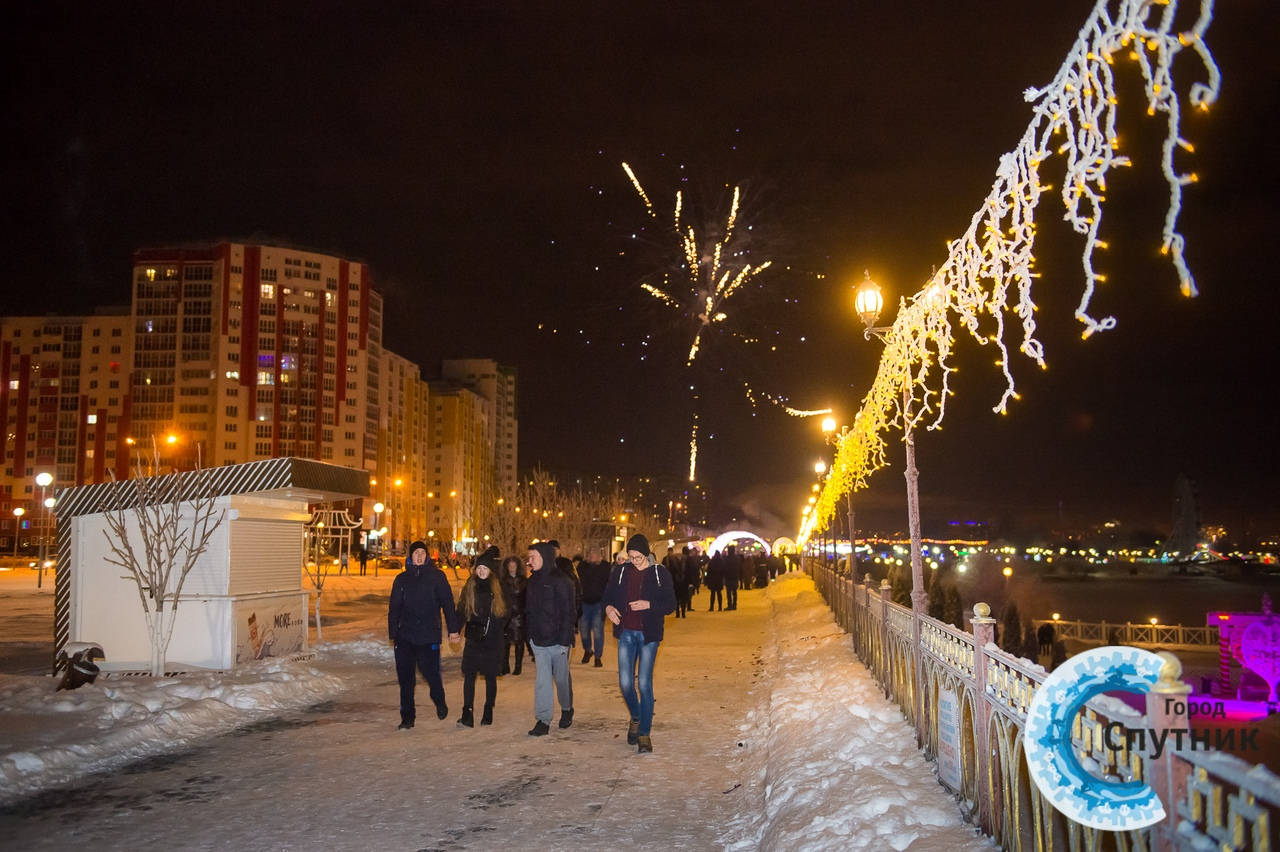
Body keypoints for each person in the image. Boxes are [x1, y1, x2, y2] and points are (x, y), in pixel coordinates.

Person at [603, 533, 677, 754]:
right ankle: (636, 716)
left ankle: (644, 733)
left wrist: (648, 604)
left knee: (644, 684)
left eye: (638, 557)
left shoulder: (659, 573)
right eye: (631, 556)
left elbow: (671, 604)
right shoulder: (620, 571)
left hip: (648, 635)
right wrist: (608, 608)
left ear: (647, 554)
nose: (633, 561)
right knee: (625, 684)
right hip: (625, 633)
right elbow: (607, 595)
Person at [388, 540, 461, 730]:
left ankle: (439, 698)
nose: (419, 556)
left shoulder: (437, 577)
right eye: (416, 553)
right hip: (405, 636)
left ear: (427, 556)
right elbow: (394, 607)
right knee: (406, 679)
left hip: (429, 635)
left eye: (422, 553)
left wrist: (453, 630)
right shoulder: (401, 579)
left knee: (430, 673)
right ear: (410, 557)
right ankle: (407, 717)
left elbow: (447, 604)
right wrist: (393, 633)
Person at [524, 541, 576, 736]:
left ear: (544, 557)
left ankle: (567, 708)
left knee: (561, 680)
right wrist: (529, 637)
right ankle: (543, 720)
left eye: (532, 557)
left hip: (558, 642)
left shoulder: (562, 580)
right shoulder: (532, 581)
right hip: (539, 641)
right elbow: (528, 611)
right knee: (543, 681)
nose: (529, 562)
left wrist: (564, 641)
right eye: (529, 558)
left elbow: (568, 612)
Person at [455, 546, 510, 727]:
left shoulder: (498, 588)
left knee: (490, 676)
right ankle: (467, 712)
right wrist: (455, 629)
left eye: (484, 568)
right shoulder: (470, 586)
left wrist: (495, 626)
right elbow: (462, 609)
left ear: (490, 571)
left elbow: (507, 612)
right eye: (479, 568)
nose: (481, 571)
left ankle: (488, 710)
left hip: (492, 640)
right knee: (469, 675)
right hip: (473, 638)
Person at [577, 547, 610, 665]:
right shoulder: (582, 566)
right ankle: (587, 650)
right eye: (590, 553)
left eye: (594, 553)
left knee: (598, 630)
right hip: (585, 602)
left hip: (599, 603)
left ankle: (598, 656)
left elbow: (609, 583)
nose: (592, 556)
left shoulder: (605, 566)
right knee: (584, 630)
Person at [501, 554, 527, 675]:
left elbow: (527, 598)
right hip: (507, 615)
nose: (512, 568)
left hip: (519, 615)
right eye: (509, 566)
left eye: (514, 566)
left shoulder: (523, 581)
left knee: (519, 641)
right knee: (505, 641)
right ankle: (505, 664)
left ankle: (518, 665)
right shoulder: (502, 581)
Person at [724, 544, 741, 611]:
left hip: (728, 577)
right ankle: (734, 604)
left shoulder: (727, 558)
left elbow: (724, 567)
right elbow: (739, 567)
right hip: (735, 576)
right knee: (734, 591)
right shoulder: (737, 558)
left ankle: (729, 605)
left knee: (729, 592)